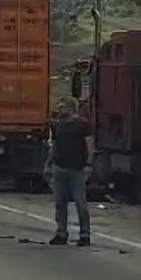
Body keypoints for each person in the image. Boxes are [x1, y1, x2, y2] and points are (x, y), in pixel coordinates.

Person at [45, 97, 94, 247]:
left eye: (62, 107)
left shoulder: (83, 125)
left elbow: (90, 144)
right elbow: (54, 145)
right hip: (59, 168)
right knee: (60, 203)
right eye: (59, 106)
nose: (59, 109)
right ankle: (61, 233)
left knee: (80, 203)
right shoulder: (58, 125)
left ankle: (85, 234)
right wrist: (48, 164)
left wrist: (88, 164)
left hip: (77, 169)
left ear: (71, 108)